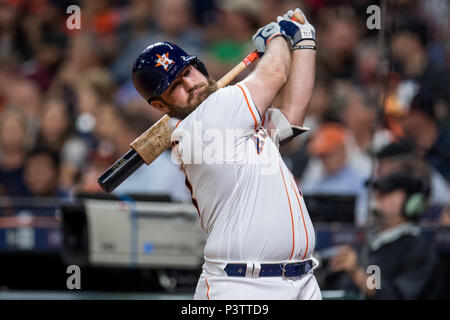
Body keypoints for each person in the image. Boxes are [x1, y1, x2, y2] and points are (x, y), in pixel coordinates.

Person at [131, 8, 320, 299]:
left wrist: (305, 42)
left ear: (198, 65)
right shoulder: (204, 120)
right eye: (175, 86)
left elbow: (291, 118)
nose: (191, 85)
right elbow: (276, 72)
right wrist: (275, 36)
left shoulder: (232, 117)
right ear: (160, 105)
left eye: (187, 73)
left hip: (301, 280)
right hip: (243, 287)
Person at [329, 172, 441, 299]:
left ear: (411, 203)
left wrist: (356, 274)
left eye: (387, 194)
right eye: (377, 193)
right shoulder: (369, 243)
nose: (378, 198)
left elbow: (396, 295)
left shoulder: (418, 247)